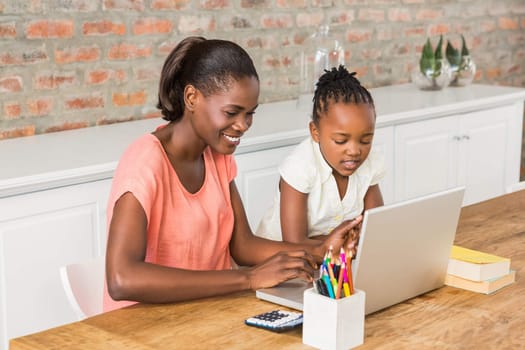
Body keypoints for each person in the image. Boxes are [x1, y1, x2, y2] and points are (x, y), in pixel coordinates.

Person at [104, 37, 361, 312]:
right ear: (192, 98)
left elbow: (243, 245)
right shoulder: (144, 163)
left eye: (249, 113)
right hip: (142, 325)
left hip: (203, 312)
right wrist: (248, 278)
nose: (242, 125)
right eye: (232, 112)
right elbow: (122, 278)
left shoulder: (216, 157)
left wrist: (320, 251)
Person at [256, 65, 385, 246]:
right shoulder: (300, 167)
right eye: (341, 141)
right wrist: (347, 240)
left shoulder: (370, 163)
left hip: (335, 258)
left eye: (365, 140)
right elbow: (295, 242)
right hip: (283, 259)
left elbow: (375, 227)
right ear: (315, 132)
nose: (355, 151)